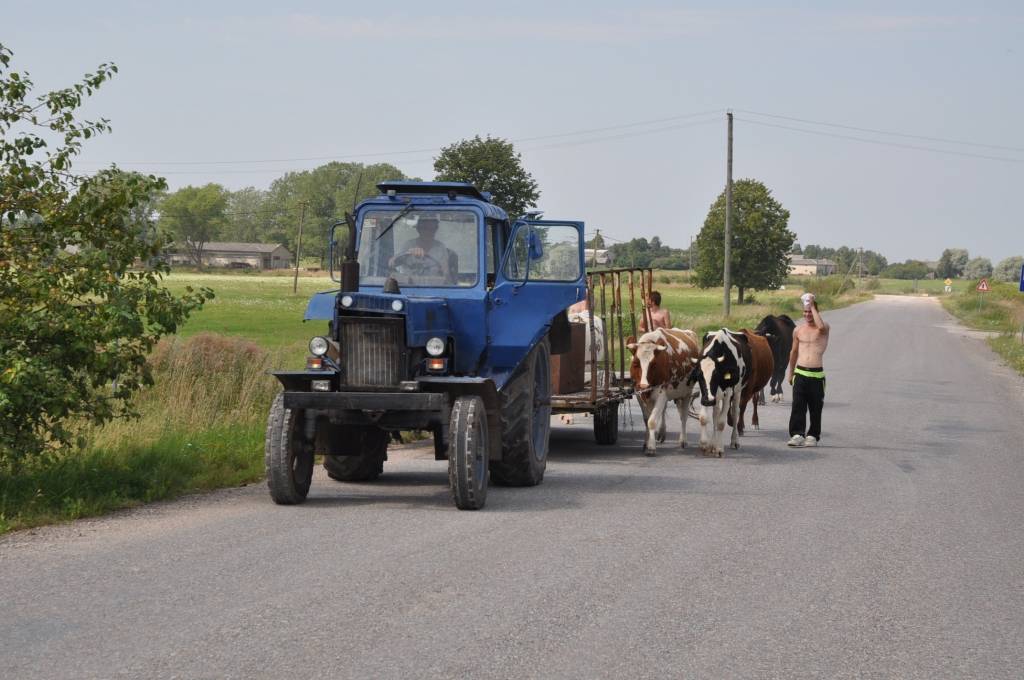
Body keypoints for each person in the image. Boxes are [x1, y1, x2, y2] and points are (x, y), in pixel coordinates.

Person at [786, 293, 829, 447]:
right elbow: (793, 352)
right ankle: (797, 434)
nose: (807, 314)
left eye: (810, 311)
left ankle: (812, 435)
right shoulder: (798, 330)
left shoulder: (823, 328)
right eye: (805, 311)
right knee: (798, 406)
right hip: (801, 373)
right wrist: (790, 372)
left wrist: (811, 304)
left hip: (817, 375)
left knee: (815, 408)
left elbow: (821, 326)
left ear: (816, 311)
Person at [389, 217, 454, 282]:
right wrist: (408, 253)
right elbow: (391, 263)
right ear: (418, 229)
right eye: (425, 228)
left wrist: (444, 269)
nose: (428, 232)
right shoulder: (408, 245)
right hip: (408, 286)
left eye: (431, 229)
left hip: (432, 287)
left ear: (435, 230)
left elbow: (447, 276)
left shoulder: (440, 247)